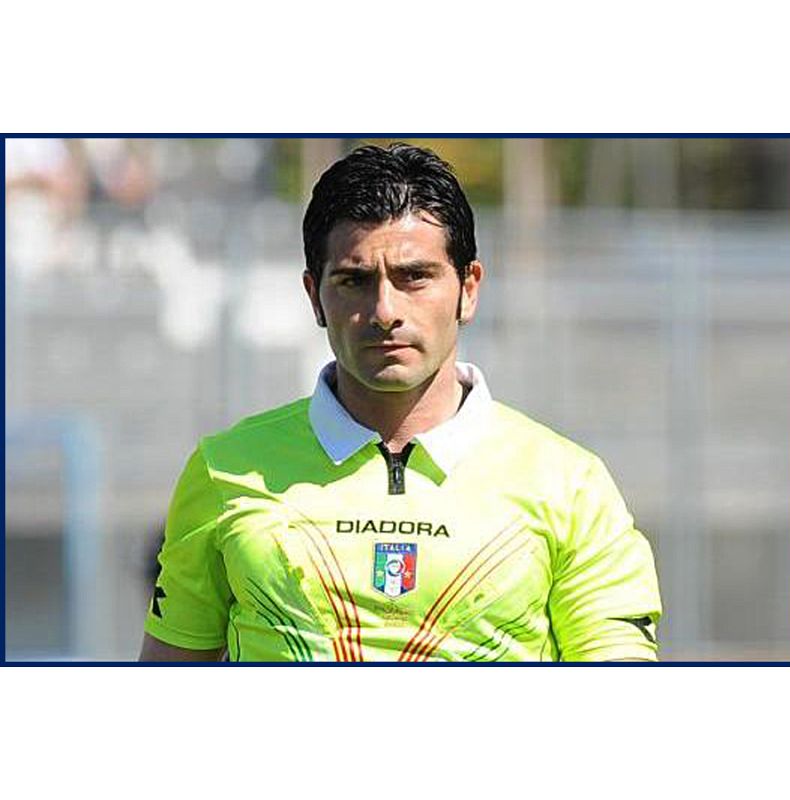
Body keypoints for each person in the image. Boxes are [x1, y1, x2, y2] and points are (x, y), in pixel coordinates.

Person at [140, 143, 662, 662]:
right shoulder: (224, 469)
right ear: (314, 296)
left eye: (414, 276)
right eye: (354, 280)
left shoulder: (571, 486)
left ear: (468, 289)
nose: (384, 310)